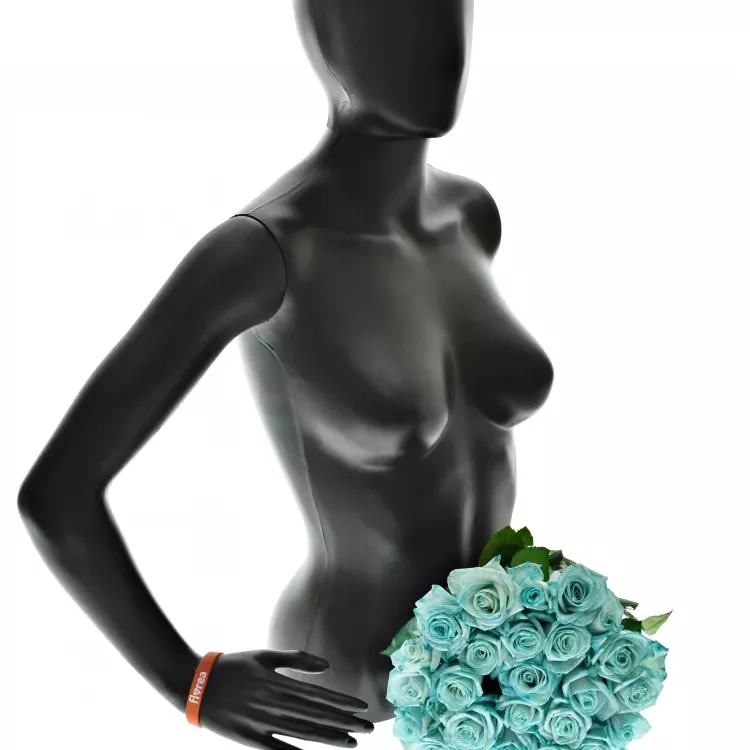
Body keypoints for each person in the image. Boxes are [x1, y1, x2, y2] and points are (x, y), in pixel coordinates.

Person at [17, 1, 554, 748]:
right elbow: (57, 493)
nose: (434, 43)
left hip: (498, 675)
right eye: (391, 13)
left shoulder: (470, 215)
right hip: (339, 688)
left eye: (446, 10)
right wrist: (188, 683)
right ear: (324, 30)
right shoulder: (264, 250)